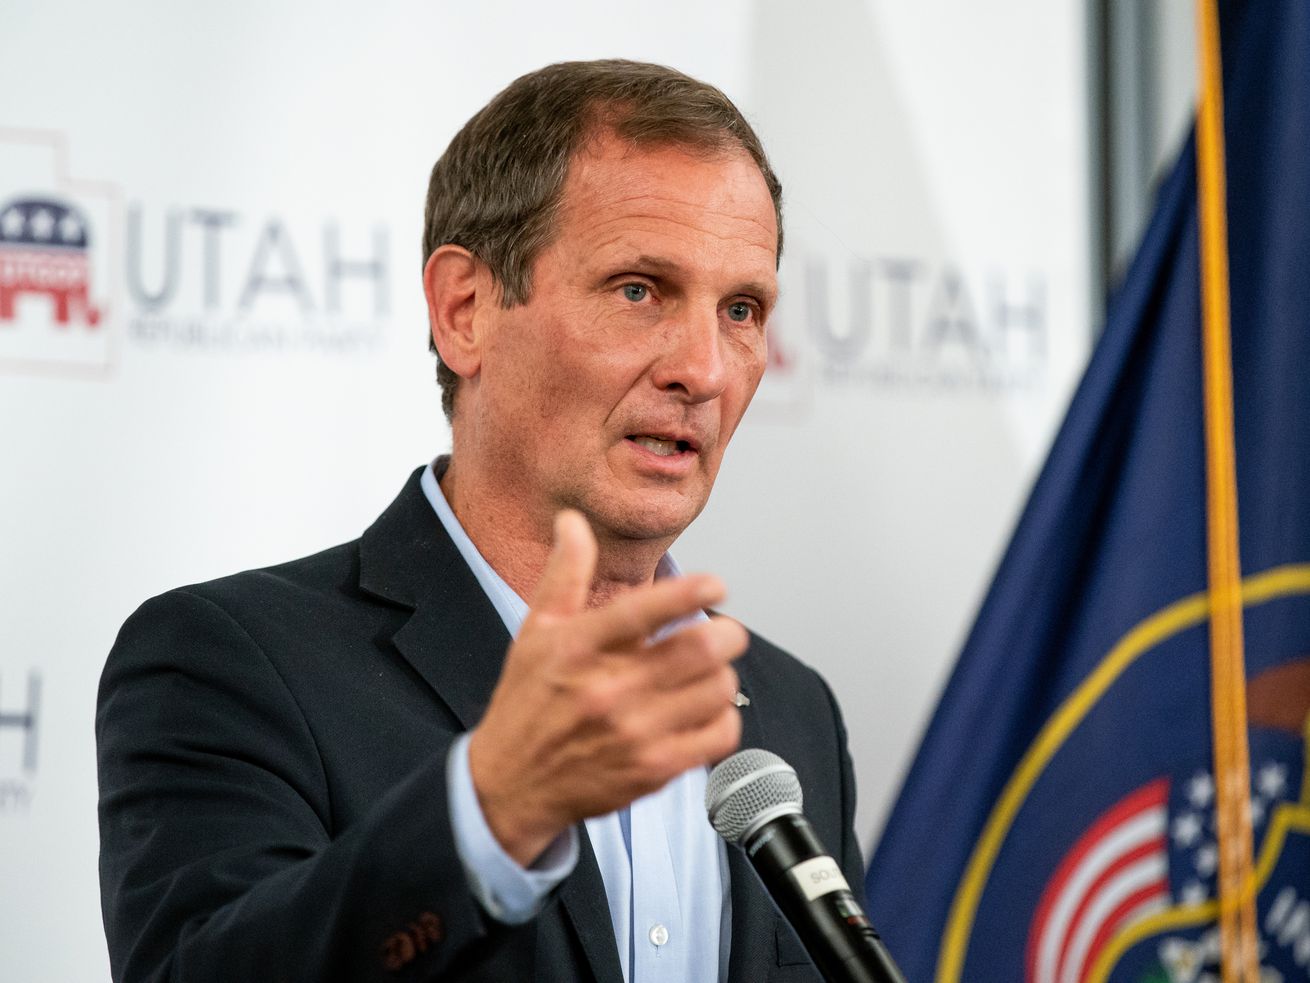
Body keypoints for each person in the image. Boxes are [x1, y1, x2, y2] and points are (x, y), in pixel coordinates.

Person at [97, 59, 863, 982]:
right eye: (638, 289)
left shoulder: (788, 707)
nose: (703, 368)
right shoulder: (230, 663)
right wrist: (492, 813)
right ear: (465, 309)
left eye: (741, 309)